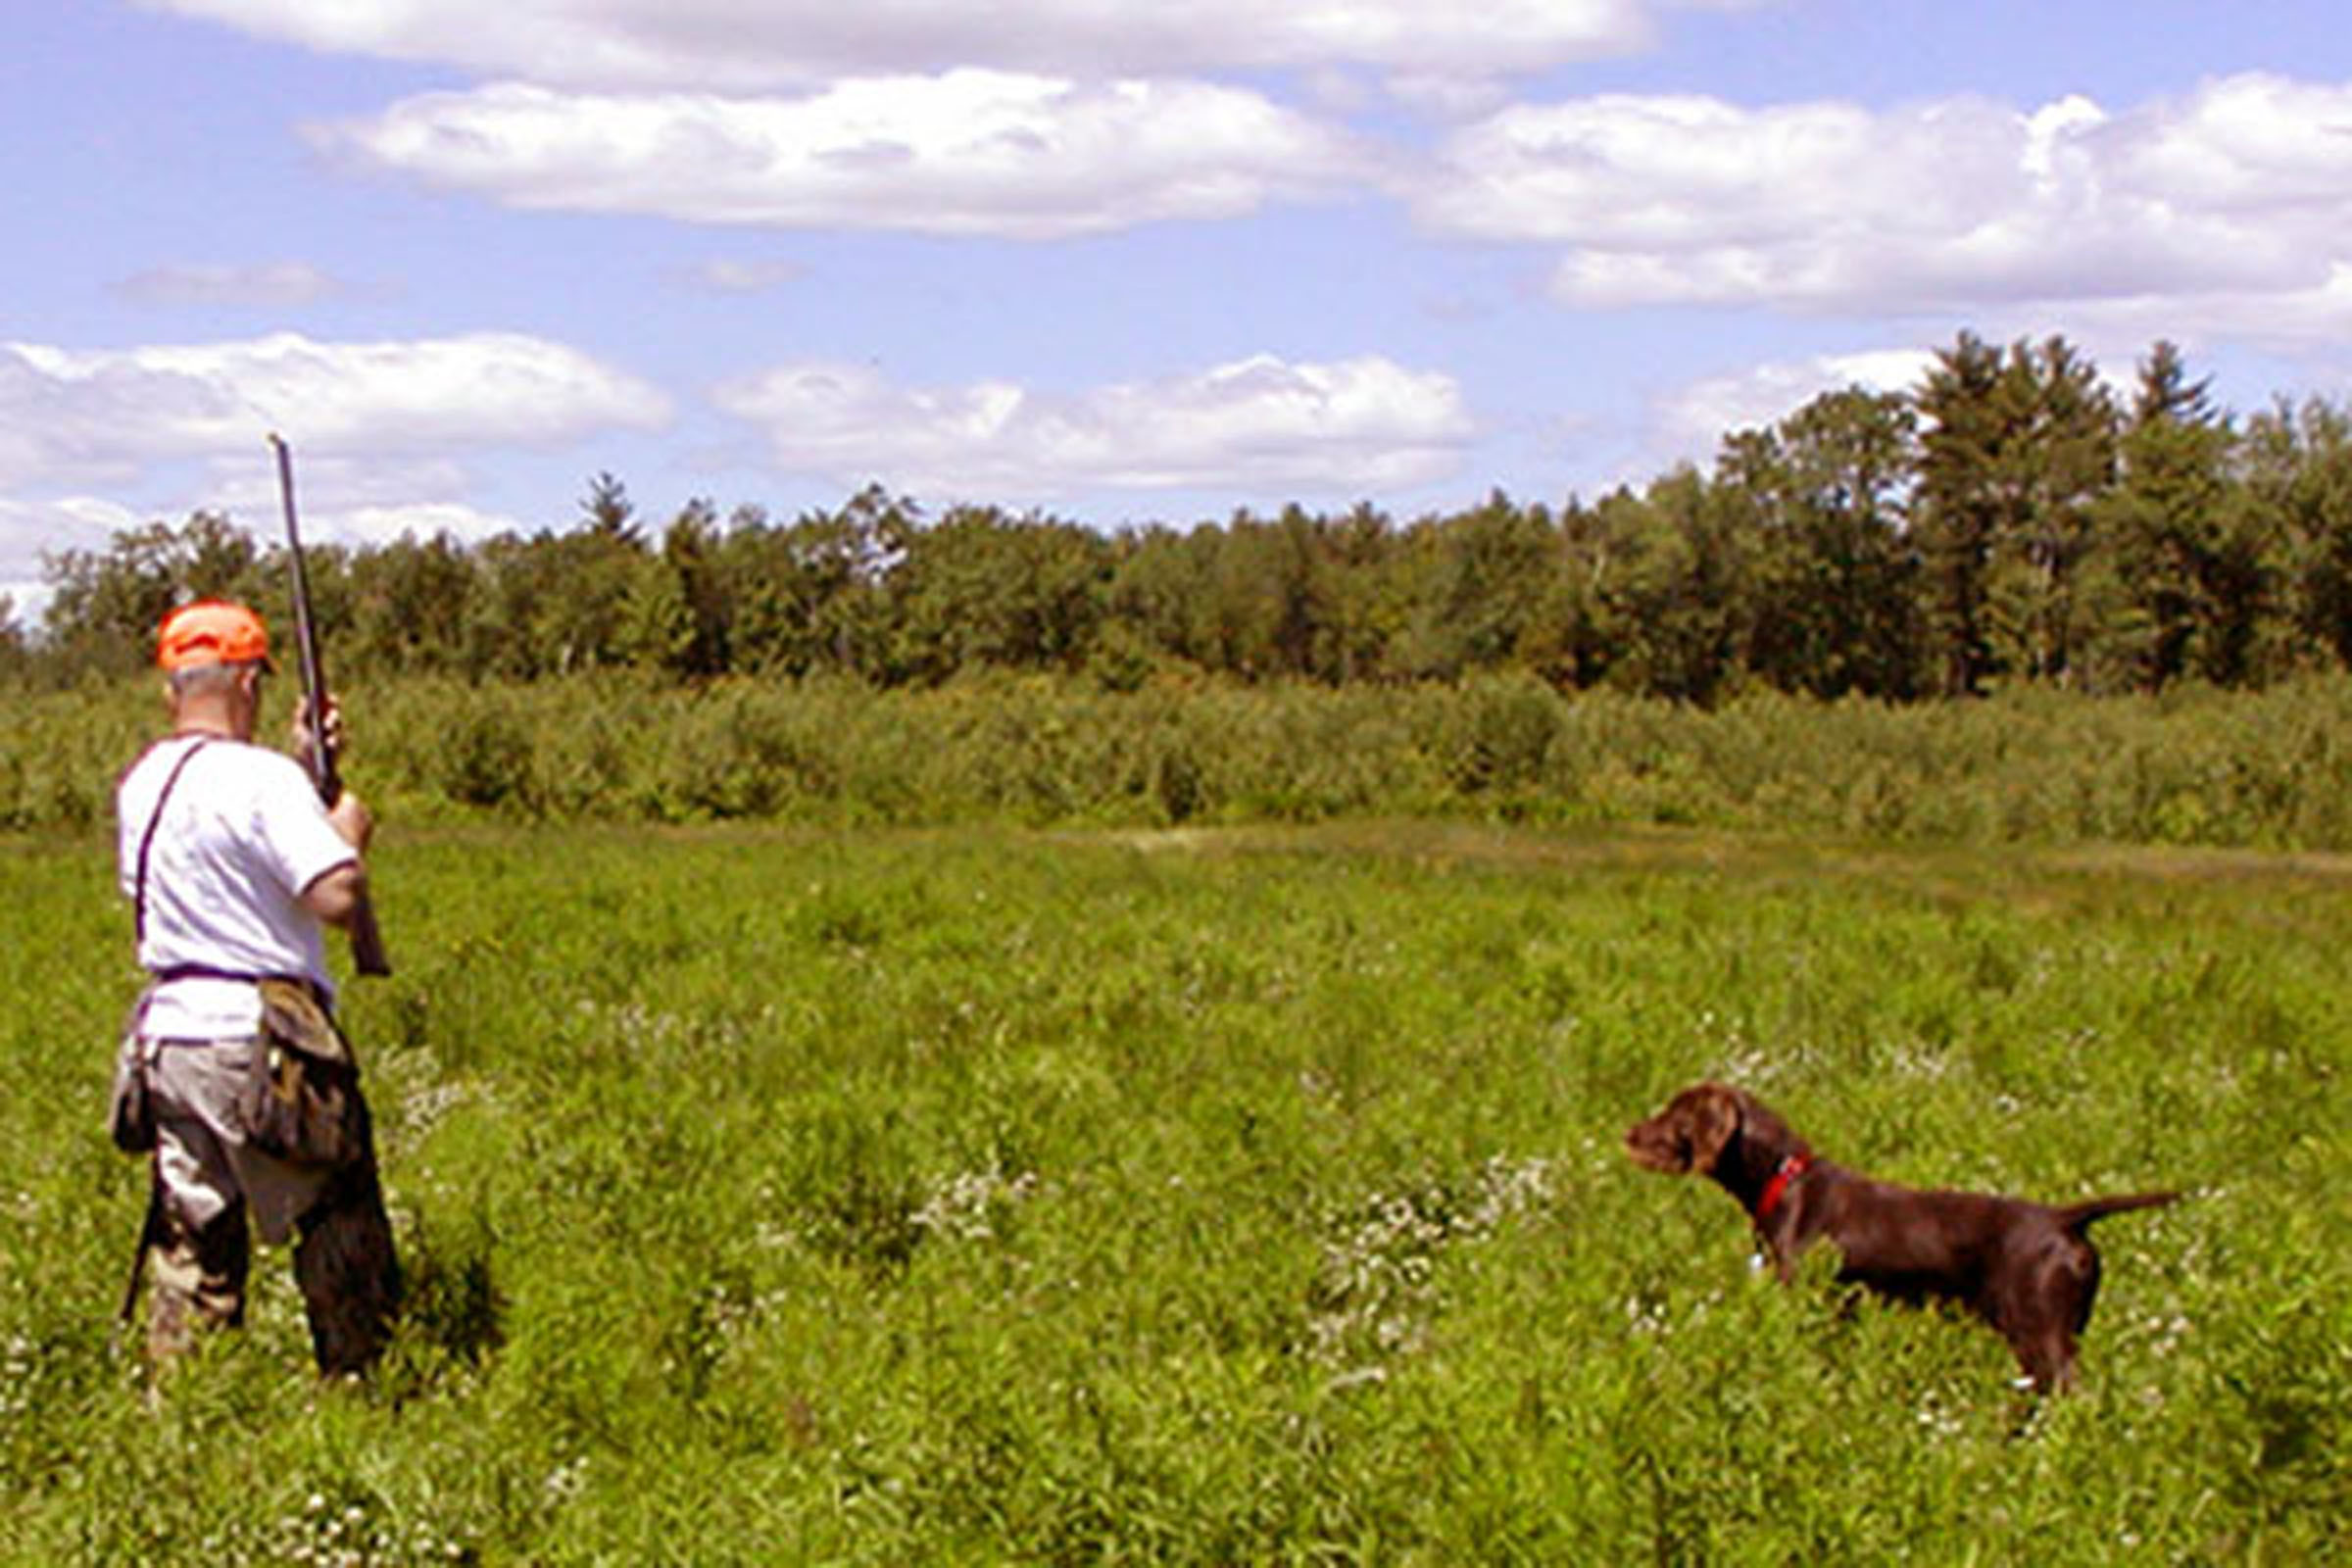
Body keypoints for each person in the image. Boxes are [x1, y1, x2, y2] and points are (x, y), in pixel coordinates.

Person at [113, 599, 399, 1375]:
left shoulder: (143, 782)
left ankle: (187, 1414)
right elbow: (335, 895)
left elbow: (233, 847)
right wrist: (348, 835)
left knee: (191, 1239)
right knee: (341, 1225)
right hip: (262, 1042)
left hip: (170, 1041)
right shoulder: (263, 779)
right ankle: (364, 1399)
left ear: (174, 687)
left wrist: (304, 770)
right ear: (246, 683)